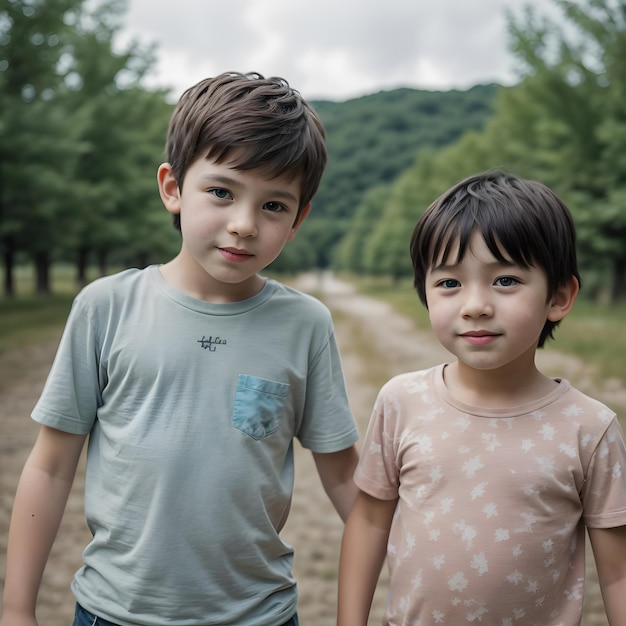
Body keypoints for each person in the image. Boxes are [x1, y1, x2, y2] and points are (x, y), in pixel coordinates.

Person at [1, 71, 359, 626]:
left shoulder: (305, 325)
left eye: (273, 206)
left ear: (297, 220)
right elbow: (50, 467)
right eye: (222, 192)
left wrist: (420, 553)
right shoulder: (105, 307)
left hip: (259, 615)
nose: (243, 225)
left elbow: (342, 475)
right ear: (172, 187)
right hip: (111, 613)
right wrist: (17, 608)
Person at [337, 170, 626, 625]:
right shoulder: (402, 401)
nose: (475, 305)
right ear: (426, 295)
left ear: (559, 296)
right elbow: (370, 520)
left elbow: (617, 572)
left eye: (505, 280)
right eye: (449, 283)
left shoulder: (589, 427)